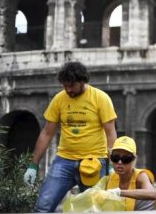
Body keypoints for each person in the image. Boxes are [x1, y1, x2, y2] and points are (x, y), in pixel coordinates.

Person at [24, 61, 118, 212]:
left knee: (94, 210)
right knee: (42, 207)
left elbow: (111, 133)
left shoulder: (100, 98)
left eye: (72, 86)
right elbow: (47, 133)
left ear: (82, 81)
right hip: (64, 161)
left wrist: (113, 164)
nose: (68, 90)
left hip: (93, 162)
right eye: (65, 86)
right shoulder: (59, 99)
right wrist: (33, 165)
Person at [103, 136, 156, 210]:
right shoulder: (110, 178)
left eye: (126, 159)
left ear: (133, 159)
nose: (119, 162)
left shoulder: (141, 176)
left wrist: (119, 192)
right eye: (115, 158)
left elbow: (153, 194)